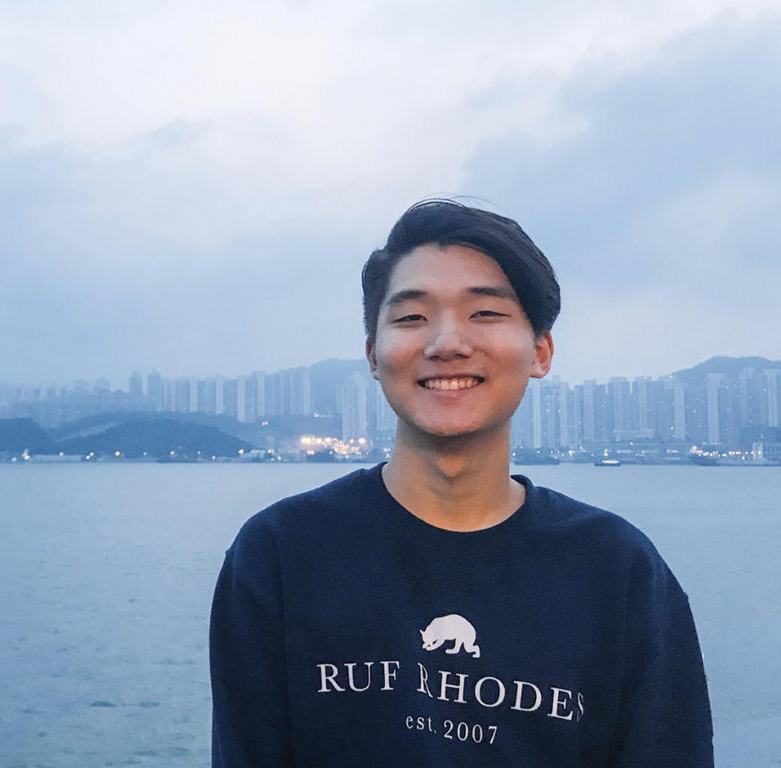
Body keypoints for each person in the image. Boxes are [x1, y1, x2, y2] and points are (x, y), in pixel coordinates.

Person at [209, 199, 714, 766]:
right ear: (374, 355)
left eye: (485, 314)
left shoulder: (619, 571)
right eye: (411, 317)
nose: (446, 342)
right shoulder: (281, 553)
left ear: (540, 352)